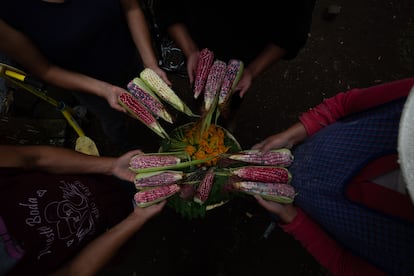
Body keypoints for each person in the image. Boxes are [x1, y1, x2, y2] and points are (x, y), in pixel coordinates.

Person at [252, 77, 414, 275]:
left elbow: (342, 262)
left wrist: (290, 217)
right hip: (307, 151)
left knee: (259, 201)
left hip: (305, 210)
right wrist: (290, 136)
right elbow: (345, 105)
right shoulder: (406, 104)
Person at [0, 0, 171, 149]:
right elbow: (44, 69)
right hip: (87, 84)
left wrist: (150, 64)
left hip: (132, 55)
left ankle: (166, 127)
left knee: (153, 101)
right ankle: (127, 144)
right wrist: (105, 90)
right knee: (115, 121)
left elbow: (131, 8)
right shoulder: (8, 13)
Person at [0, 145, 166, 275]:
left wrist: (112, 166)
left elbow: (34, 158)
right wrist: (136, 219)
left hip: (100, 177)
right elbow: (75, 271)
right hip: (106, 234)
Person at [154, 0, 316, 98]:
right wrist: (190, 50)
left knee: (231, 98)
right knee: (199, 88)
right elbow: (167, 7)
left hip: (245, 49)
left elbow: (291, 35)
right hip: (198, 32)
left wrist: (251, 71)